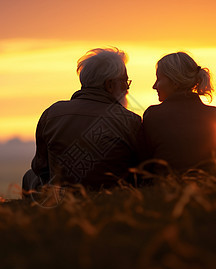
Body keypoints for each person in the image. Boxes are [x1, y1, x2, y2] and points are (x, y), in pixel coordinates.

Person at [22, 47, 142, 196]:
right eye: (125, 82)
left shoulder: (52, 113)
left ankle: (35, 216)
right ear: (110, 85)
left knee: (29, 177)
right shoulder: (130, 120)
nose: (127, 88)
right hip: (111, 196)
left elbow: (40, 167)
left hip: (61, 198)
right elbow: (141, 168)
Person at [142, 52, 216, 178]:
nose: (154, 86)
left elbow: (145, 162)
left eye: (159, 79)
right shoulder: (215, 115)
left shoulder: (152, 114)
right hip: (208, 187)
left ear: (175, 82)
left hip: (165, 188)